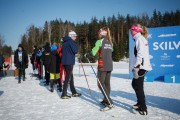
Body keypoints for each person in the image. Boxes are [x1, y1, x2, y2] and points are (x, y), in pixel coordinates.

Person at [86, 27, 114, 108]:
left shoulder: (99, 41)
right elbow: (112, 51)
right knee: (107, 83)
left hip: (103, 66)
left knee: (100, 84)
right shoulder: (110, 42)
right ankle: (106, 100)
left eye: (98, 33)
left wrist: (87, 55)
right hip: (110, 66)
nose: (98, 34)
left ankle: (109, 102)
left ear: (101, 33)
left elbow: (93, 52)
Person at [130, 24, 152, 115]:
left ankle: (143, 108)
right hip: (140, 66)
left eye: (132, 30)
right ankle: (140, 103)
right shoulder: (139, 38)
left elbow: (140, 53)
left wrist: (137, 66)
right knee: (135, 84)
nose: (131, 31)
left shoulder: (139, 39)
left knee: (138, 86)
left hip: (140, 67)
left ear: (136, 30)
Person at [61, 31, 81, 99]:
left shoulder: (64, 42)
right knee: (68, 78)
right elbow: (75, 50)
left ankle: (74, 92)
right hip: (69, 62)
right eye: (74, 36)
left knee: (70, 76)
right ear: (71, 36)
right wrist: (76, 47)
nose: (75, 37)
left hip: (65, 61)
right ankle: (64, 94)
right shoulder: (71, 41)